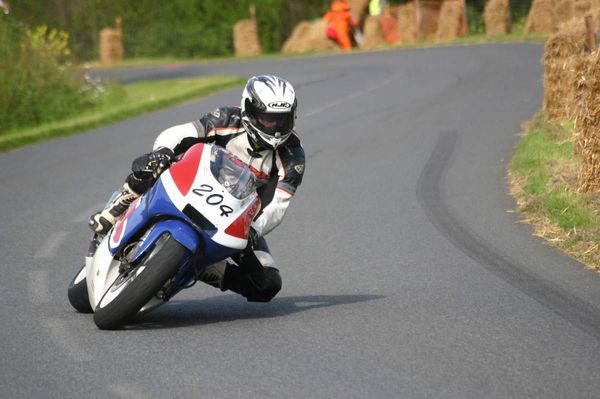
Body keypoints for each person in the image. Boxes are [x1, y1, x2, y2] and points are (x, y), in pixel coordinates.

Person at [89, 75, 305, 303]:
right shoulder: (227, 119)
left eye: (282, 120)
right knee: (155, 162)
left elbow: (278, 205)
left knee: (267, 284)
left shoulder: (293, 156)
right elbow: (178, 134)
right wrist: (163, 151)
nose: (276, 128)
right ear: (249, 111)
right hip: (190, 184)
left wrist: (254, 230)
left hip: (237, 217)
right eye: (267, 119)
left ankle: (200, 267)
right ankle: (123, 201)